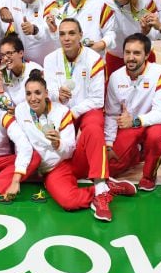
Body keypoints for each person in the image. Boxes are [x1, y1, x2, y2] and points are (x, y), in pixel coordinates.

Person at [16, 70, 135, 222]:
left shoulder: (62, 112)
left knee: (92, 129)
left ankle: (100, 190)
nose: (33, 98)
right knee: (69, 202)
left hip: (72, 160)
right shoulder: (21, 111)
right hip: (53, 169)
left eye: (38, 93)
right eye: (28, 94)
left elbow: (70, 149)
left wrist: (58, 144)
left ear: (46, 93)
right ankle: (107, 188)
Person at [43, 18, 120, 220]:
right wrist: (55, 95)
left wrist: (74, 112)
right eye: (62, 34)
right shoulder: (50, 59)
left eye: (71, 33)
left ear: (80, 35)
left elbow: (96, 99)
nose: (66, 38)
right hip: (59, 110)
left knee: (94, 126)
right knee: (53, 144)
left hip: (84, 111)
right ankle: (98, 184)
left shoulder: (94, 59)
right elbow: (48, 90)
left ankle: (100, 185)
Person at [105, 33, 161, 191]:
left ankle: (149, 176)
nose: (131, 57)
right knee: (112, 166)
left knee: (157, 135)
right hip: (129, 128)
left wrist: (135, 121)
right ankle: (138, 153)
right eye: (127, 52)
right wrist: (108, 144)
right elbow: (111, 114)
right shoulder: (115, 77)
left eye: (137, 53)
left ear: (147, 55)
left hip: (151, 124)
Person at [46, 0, 116, 59]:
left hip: (95, 62)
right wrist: (54, 31)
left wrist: (101, 44)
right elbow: (59, 44)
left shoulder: (99, 6)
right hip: (72, 63)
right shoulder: (60, 12)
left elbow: (111, 32)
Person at [102, 0, 158, 76]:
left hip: (143, 56)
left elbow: (156, 33)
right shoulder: (103, 4)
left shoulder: (145, 1)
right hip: (115, 58)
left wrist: (147, 31)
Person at [0, 0, 58, 64]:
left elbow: (51, 28)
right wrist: (2, 9)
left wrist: (35, 30)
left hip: (49, 61)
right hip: (26, 63)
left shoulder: (48, 0)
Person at [0, 35, 43, 111]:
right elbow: (6, 106)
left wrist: (18, 111)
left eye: (9, 53)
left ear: (21, 53)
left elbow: (40, 101)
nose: (5, 58)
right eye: (3, 55)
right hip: (14, 116)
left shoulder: (35, 70)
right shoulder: (4, 74)